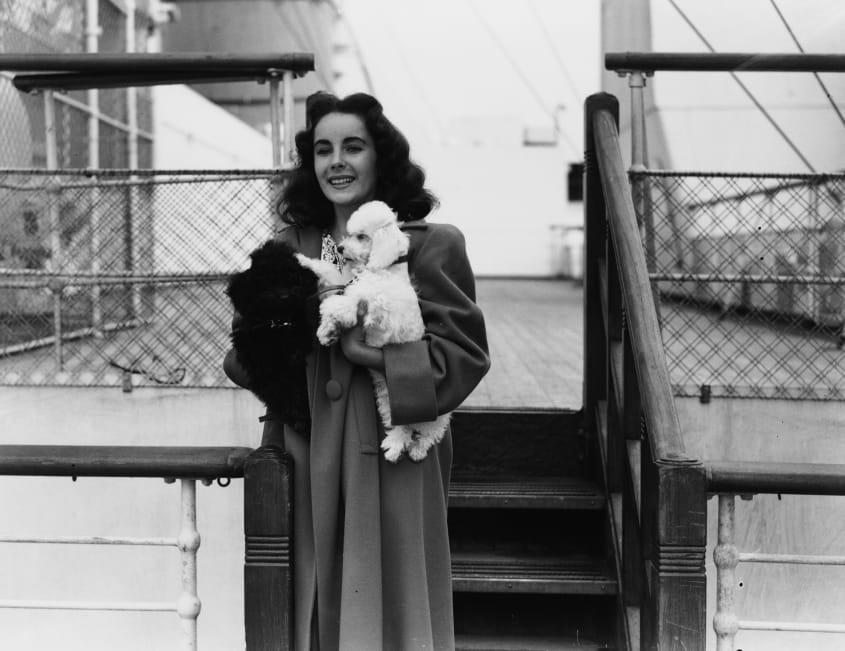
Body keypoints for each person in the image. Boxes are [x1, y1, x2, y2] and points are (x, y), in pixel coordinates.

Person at [224, 91, 490, 650]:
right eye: (323, 150)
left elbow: (462, 358)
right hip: (304, 445)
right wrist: (277, 356)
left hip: (392, 455)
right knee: (307, 602)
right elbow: (244, 352)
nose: (336, 161)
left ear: (380, 157)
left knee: (391, 608)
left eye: (353, 146)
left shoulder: (432, 245)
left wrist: (371, 356)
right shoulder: (286, 248)